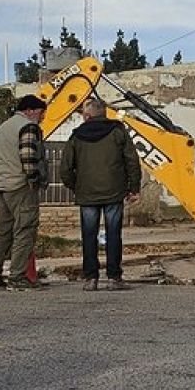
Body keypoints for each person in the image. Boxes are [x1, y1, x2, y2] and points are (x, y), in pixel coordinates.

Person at [59, 96, 142, 291]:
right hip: (114, 192)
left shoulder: (76, 135)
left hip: (87, 194)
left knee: (89, 236)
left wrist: (75, 186)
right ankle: (114, 278)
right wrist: (134, 188)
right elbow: (132, 160)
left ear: (87, 115)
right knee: (113, 235)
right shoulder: (118, 131)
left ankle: (91, 278)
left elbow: (65, 168)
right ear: (104, 113)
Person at [0, 94, 50, 291]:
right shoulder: (27, 127)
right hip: (20, 185)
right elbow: (28, 156)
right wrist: (34, 180)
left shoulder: (4, 127)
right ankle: (17, 277)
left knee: (2, 233)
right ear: (30, 110)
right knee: (25, 230)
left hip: (1, 185)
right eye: (40, 113)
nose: (42, 117)